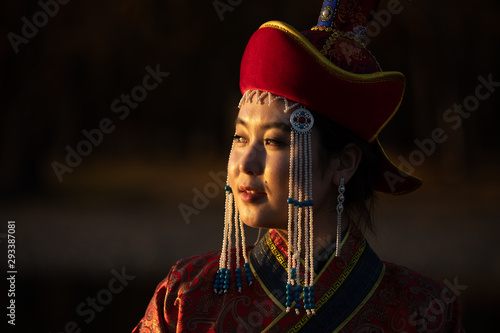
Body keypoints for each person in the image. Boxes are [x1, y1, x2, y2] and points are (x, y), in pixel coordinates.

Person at [132, 0, 464, 331]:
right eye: (240, 138)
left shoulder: (424, 312)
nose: (246, 163)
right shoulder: (185, 295)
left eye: (274, 141)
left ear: (344, 163)